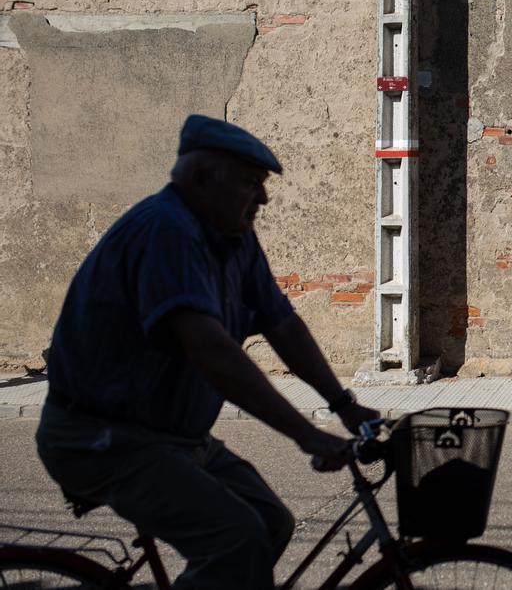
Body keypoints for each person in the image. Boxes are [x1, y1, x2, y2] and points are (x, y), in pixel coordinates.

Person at [36, 115, 379, 590]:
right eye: (250, 183)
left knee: (271, 525)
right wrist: (305, 433)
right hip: (106, 440)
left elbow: (281, 323)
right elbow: (210, 351)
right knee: (236, 541)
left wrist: (343, 403)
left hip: (174, 437)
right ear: (200, 180)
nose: (262, 198)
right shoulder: (167, 232)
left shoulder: (233, 236)